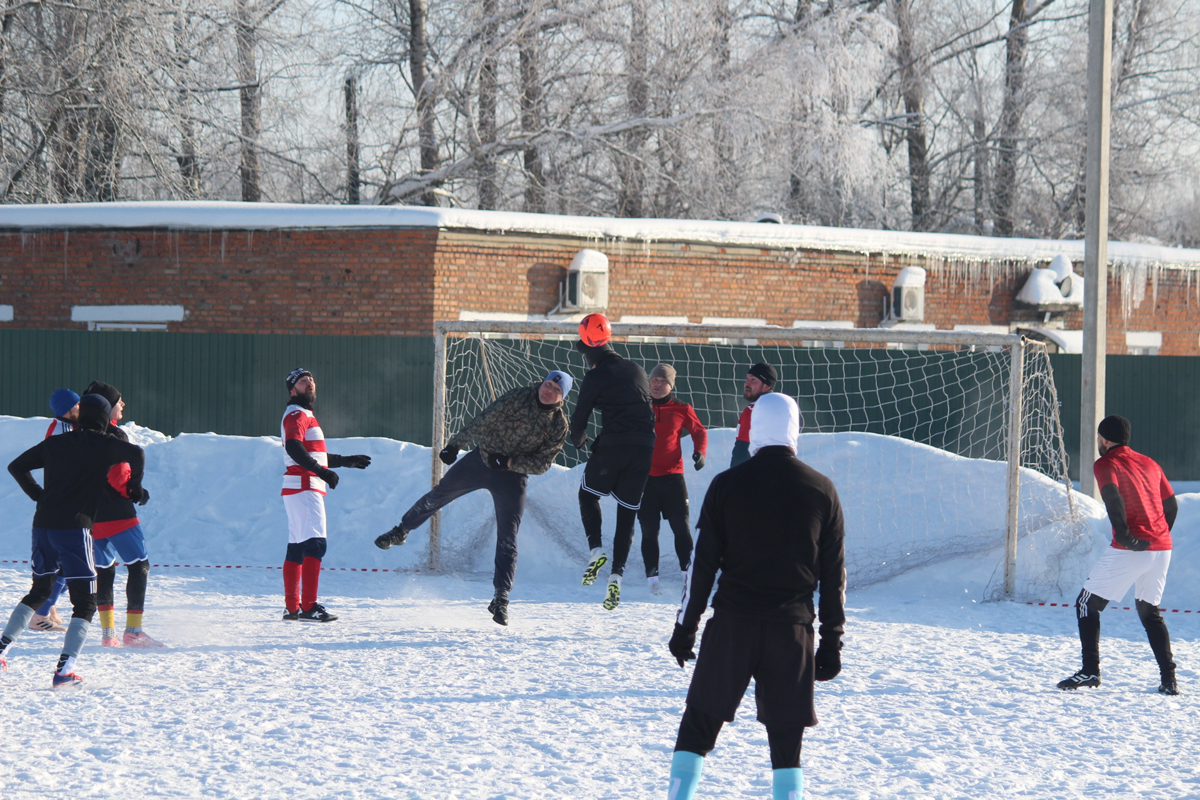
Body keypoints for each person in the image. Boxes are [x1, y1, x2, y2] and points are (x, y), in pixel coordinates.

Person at [666, 392, 845, 800]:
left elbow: (702, 566)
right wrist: (832, 641)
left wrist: (685, 627)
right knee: (787, 745)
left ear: (753, 431)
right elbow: (834, 576)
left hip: (733, 625)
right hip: (792, 631)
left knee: (697, 727)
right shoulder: (822, 490)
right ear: (795, 429)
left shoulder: (727, 484)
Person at [375, 371, 573, 625]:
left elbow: (543, 463)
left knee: (508, 538)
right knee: (437, 496)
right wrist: (455, 445)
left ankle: (500, 598)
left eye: (555, 391)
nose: (548, 391)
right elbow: (486, 418)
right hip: (481, 461)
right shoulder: (519, 396)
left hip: (511, 477)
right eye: (547, 385)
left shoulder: (559, 425)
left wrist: (512, 462)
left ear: (561, 397)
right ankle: (401, 530)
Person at [1, 394, 145, 688]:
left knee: (39, 590)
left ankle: (1, 650)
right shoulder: (103, 442)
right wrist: (135, 487)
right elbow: (137, 453)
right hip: (75, 528)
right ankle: (64, 672)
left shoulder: (55, 442)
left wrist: (39, 496)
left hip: (42, 525)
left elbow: (16, 466)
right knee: (85, 603)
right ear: (104, 417)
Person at [1057, 415, 1180, 695]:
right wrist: (1159, 534)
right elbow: (1171, 506)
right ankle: (1169, 680)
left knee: (1086, 603)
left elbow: (1112, 498)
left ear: (1103, 439)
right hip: (1162, 548)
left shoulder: (1105, 463)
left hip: (1132, 546)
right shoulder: (1150, 462)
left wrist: (1125, 535)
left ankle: (1090, 671)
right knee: (1150, 613)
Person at [570, 313, 656, 611]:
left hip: (614, 445)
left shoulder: (595, 376)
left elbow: (579, 421)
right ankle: (616, 576)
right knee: (627, 512)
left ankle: (596, 550)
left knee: (587, 495)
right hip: (645, 448)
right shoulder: (638, 370)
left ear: (589, 349)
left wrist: (578, 438)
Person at [280, 368, 372, 623]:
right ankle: (308, 607)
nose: (309, 382)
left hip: (297, 486)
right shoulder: (297, 413)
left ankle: (293, 607)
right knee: (316, 545)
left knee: (297, 547)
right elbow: (293, 446)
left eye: (310, 379)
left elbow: (311, 452)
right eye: (301, 381)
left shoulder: (302, 414)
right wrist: (322, 472)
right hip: (305, 486)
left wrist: (344, 461)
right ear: (292, 390)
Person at [82, 380, 160, 648]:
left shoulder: (79, 433)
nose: (122, 404)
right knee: (139, 566)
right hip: (117, 514)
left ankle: (108, 634)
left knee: (104, 570)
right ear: (106, 407)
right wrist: (136, 491)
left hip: (90, 516)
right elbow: (119, 478)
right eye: (118, 401)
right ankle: (134, 631)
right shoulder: (114, 436)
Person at [638, 364, 707, 596]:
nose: (657, 385)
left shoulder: (681, 408)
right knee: (649, 530)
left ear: (671, 385)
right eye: (654, 380)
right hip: (644, 479)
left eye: (663, 381)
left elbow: (699, 432)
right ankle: (652, 578)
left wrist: (701, 452)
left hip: (672, 478)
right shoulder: (638, 406)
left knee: (681, 527)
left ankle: (687, 574)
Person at [28, 388, 82, 634]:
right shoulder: (63, 432)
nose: (82, 409)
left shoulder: (62, 427)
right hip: (61, 508)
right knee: (62, 562)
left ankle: (45, 608)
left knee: (60, 562)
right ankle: (40, 613)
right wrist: (41, 496)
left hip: (60, 505)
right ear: (70, 410)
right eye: (79, 405)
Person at [730, 362, 777, 468]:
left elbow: (741, 452)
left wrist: (733, 478)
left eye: (753, 380)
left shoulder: (753, 409)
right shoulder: (779, 408)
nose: (747, 383)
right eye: (747, 379)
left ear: (766, 385)